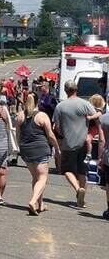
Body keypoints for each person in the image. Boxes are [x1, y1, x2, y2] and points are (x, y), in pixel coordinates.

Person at [52, 80, 101, 208]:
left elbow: (56, 126)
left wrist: (62, 133)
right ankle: (82, 200)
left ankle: (78, 189)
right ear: (76, 89)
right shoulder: (85, 104)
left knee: (67, 169)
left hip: (69, 143)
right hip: (83, 142)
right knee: (82, 171)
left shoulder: (60, 106)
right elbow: (96, 116)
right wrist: (90, 119)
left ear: (65, 90)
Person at [17, 92, 60, 215]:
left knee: (36, 178)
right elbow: (50, 135)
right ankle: (33, 201)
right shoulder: (42, 116)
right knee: (42, 178)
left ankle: (40, 204)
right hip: (40, 148)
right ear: (38, 101)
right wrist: (57, 148)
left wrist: (20, 147)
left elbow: (18, 135)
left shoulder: (20, 116)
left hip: (26, 150)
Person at [85, 94, 105, 161]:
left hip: (97, 129)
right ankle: (88, 154)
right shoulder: (89, 109)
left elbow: (99, 114)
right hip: (92, 129)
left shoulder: (100, 110)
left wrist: (91, 117)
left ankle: (91, 154)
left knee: (89, 139)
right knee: (87, 140)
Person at [98, 106, 109, 219]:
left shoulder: (103, 119)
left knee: (108, 183)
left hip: (108, 155)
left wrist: (100, 158)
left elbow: (102, 140)